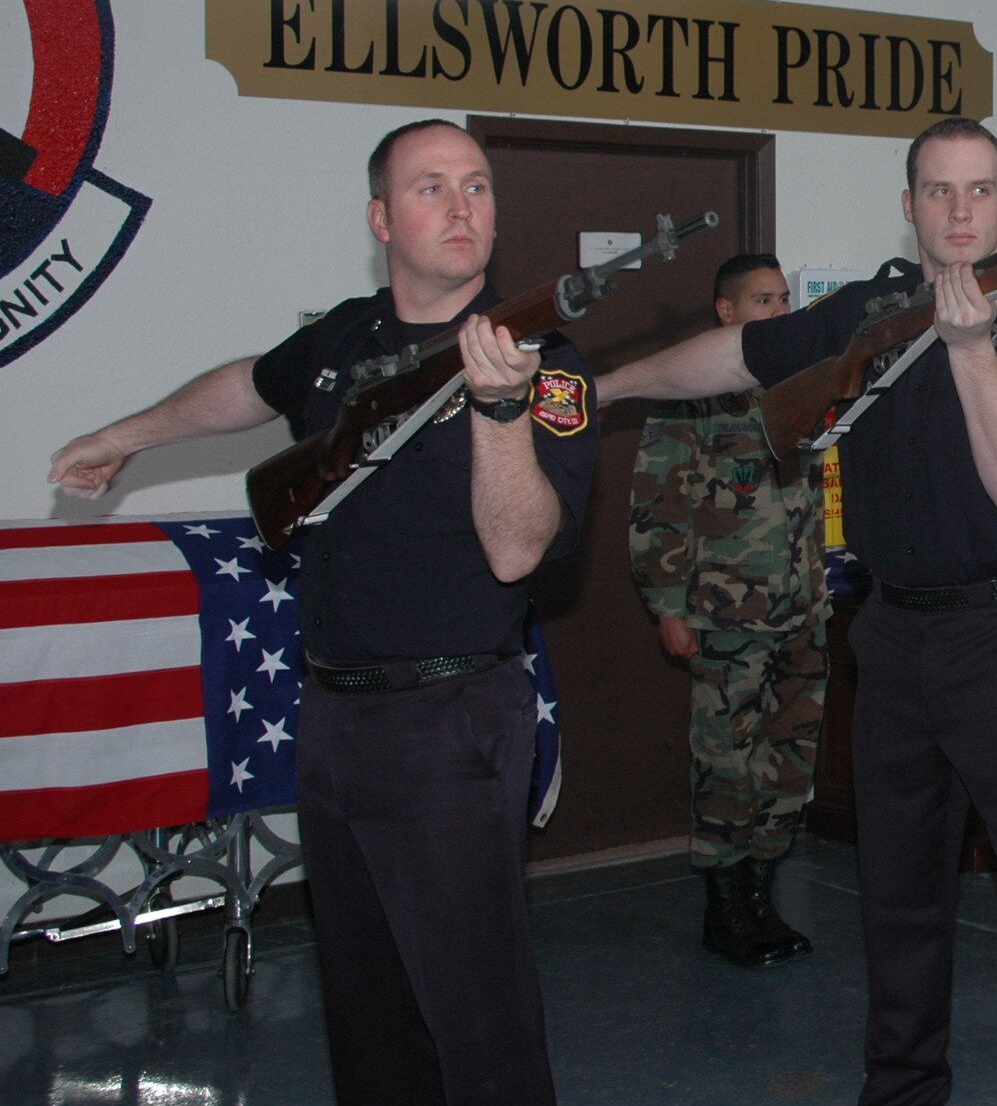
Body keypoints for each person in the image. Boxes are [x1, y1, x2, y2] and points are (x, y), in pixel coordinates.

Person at [48, 120, 598, 1106]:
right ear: (382, 218)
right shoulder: (347, 335)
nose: (461, 204)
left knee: (480, 1025)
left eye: (476, 184)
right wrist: (123, 436)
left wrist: (498, 411)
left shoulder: (541, 364)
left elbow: (519, 550)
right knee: (368, 1015)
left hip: (454, 722)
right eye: (430, 186)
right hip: (336, 719)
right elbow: (251, 387)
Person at [598, 116, 997, 1106]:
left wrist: (970, 351)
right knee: (896, 904)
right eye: (938, 190)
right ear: (908, 205)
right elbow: (734, 356)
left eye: (979, 190)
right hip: (890, 638)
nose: (960, 211)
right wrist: (604, 388)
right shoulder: (871, 312)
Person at [628, 252, 830, 968]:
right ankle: (723, 911)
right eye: (762, 300)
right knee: (726, 764)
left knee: (788, 760)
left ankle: (761, 898)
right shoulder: (693, 396)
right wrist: (666, 605)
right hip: (724, 615)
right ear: (726, 312)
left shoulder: (803, 387)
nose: (778, 312)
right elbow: (659, 505)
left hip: (802, 608)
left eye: (783, 299)